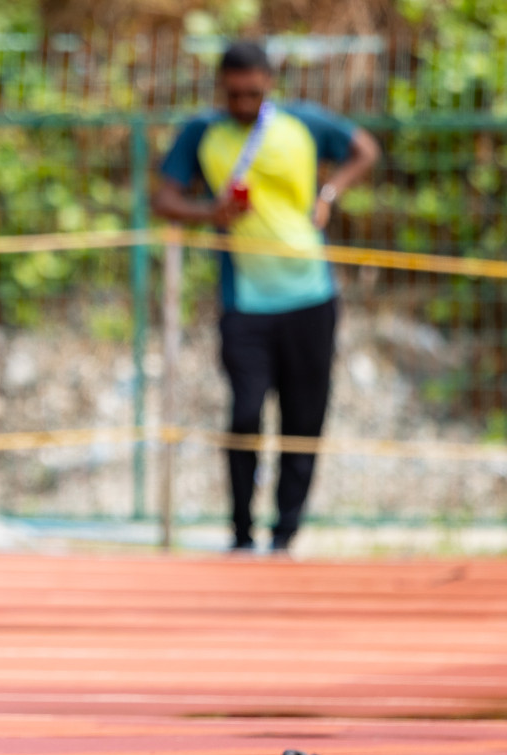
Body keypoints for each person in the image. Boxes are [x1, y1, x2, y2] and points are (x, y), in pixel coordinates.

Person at [152, 40, 379, 553]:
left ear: (269, 84)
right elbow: (164, 198)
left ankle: (285, 536)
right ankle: (240, 533)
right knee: (244, 414)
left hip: (311, 296)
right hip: (245, 303)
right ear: (221, 87)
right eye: (233, 94)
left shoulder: (303, 123)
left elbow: (365, 149)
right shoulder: (201, 132)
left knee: (304, 420)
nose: (242, 104)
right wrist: (210, 214)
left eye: (252, 93)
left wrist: (329, 194)